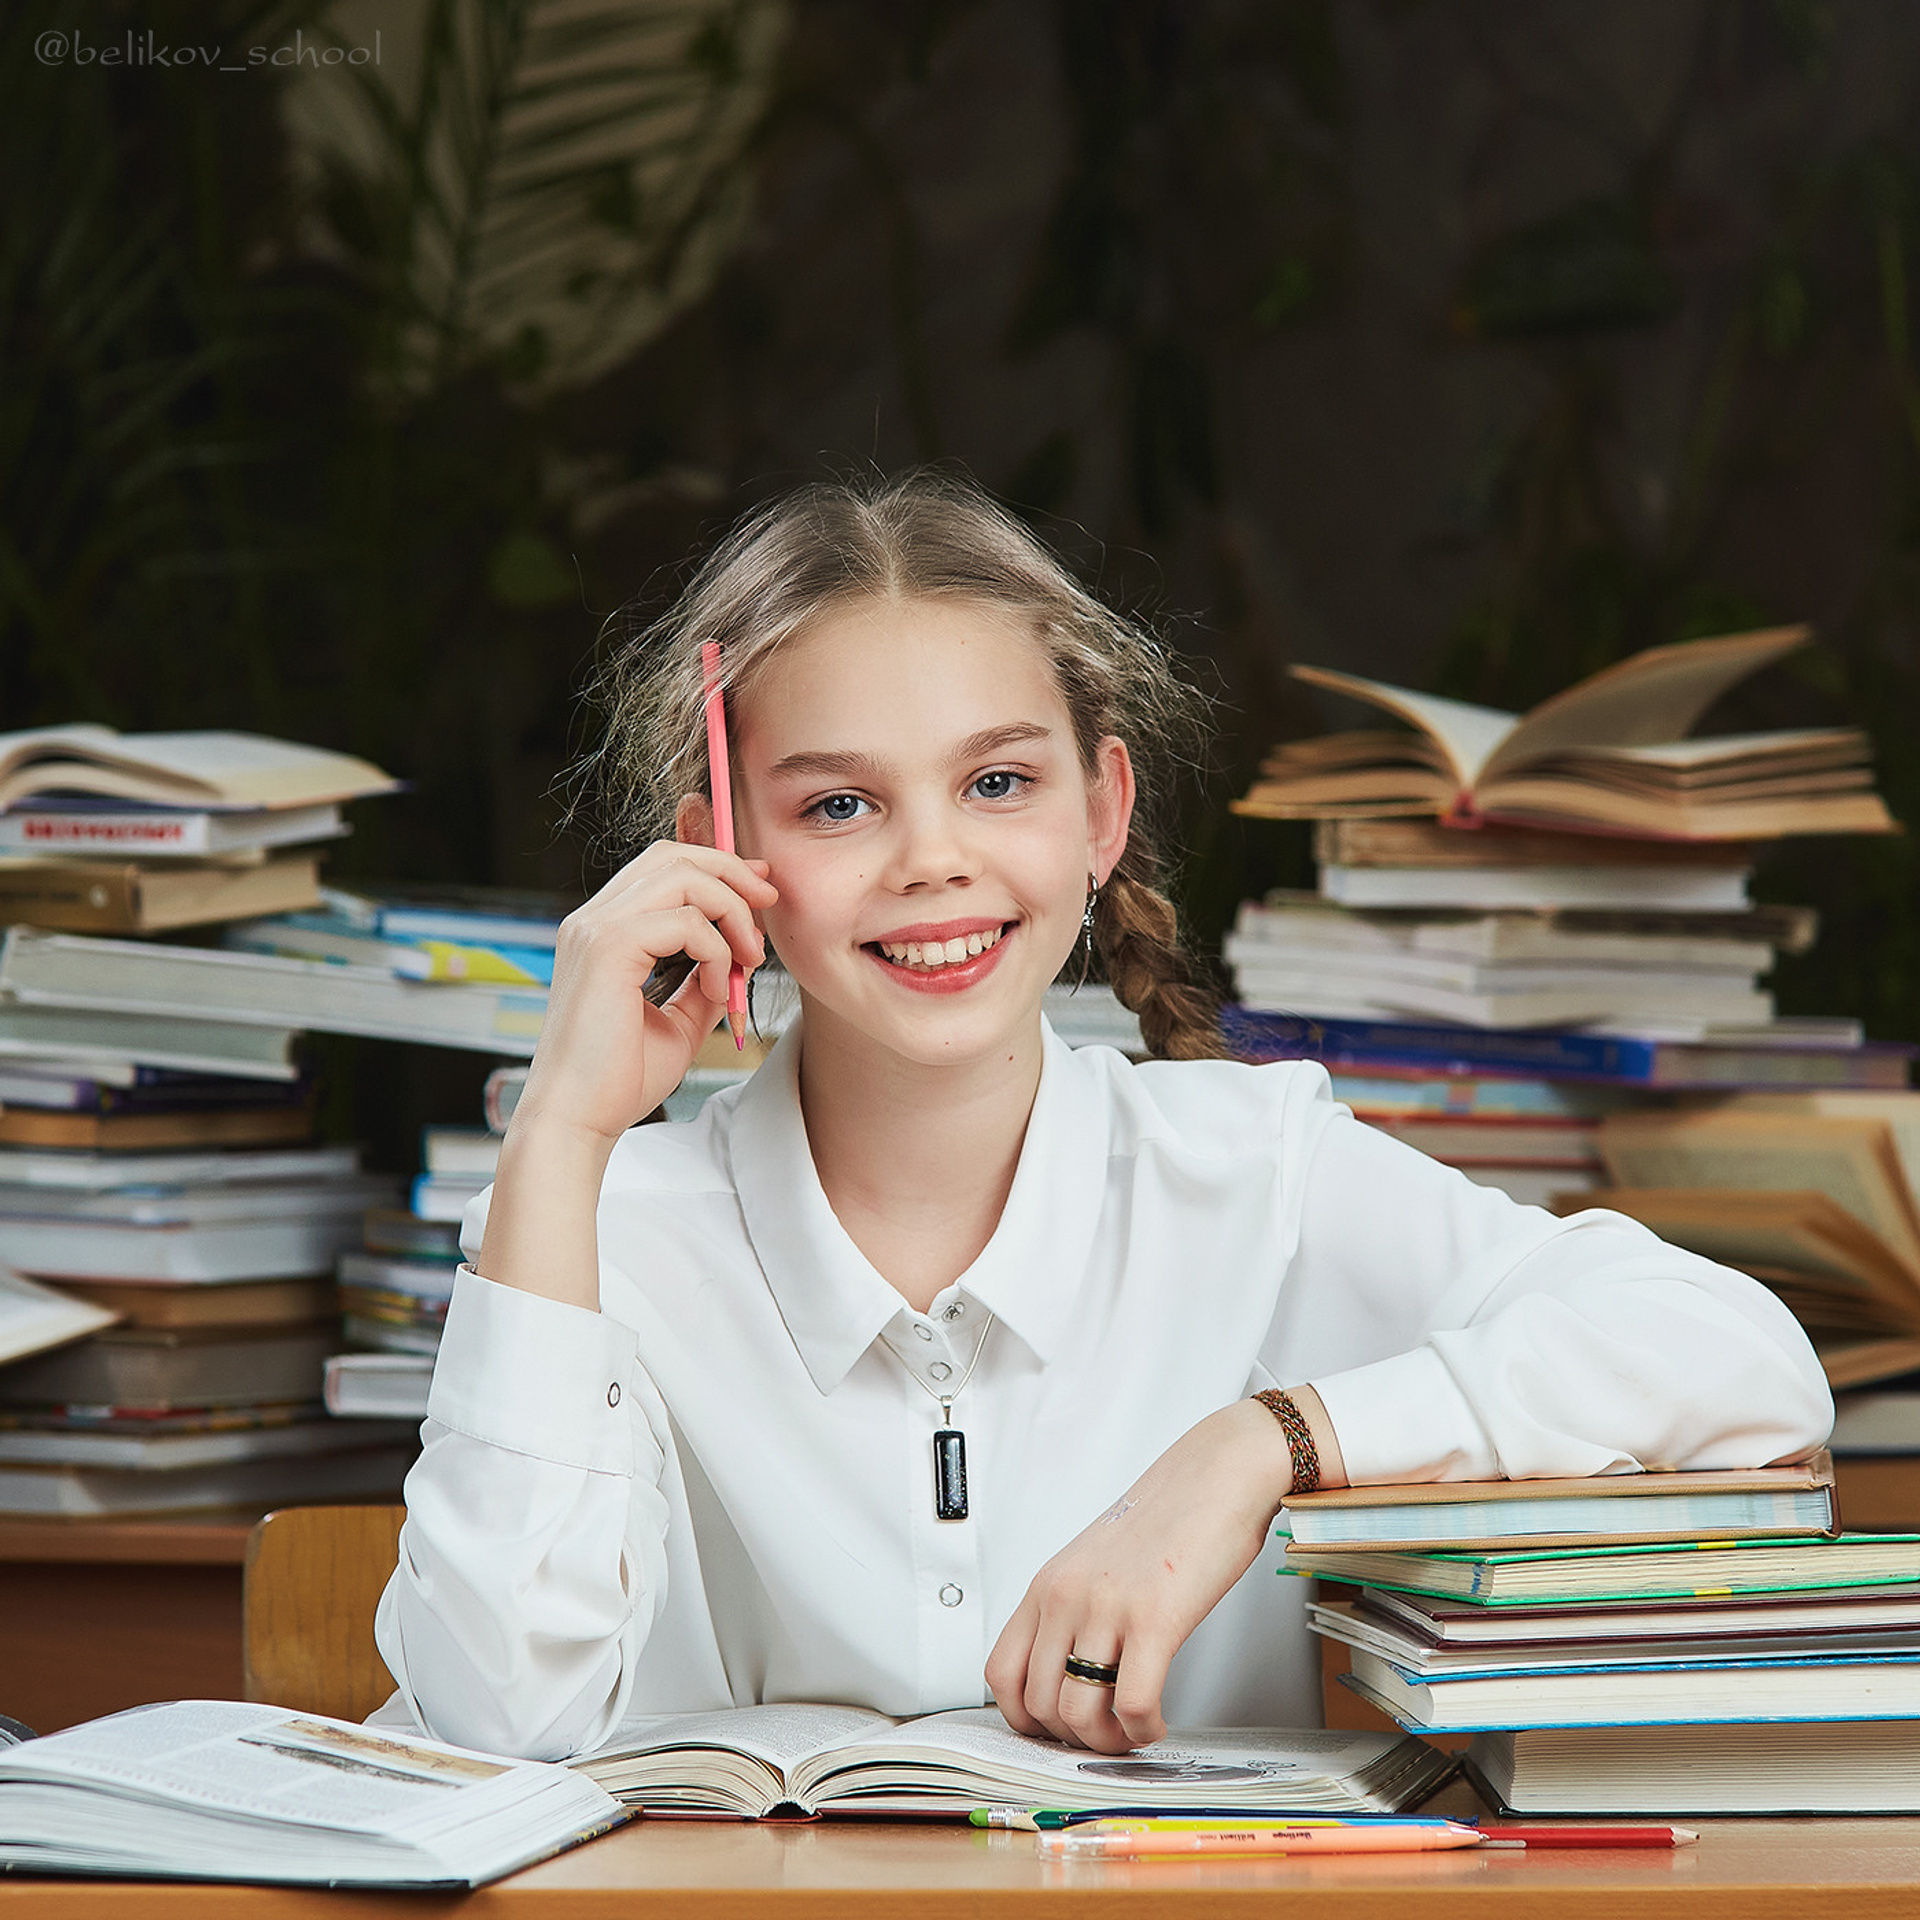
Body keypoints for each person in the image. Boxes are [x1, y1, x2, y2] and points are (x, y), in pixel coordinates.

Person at [370, 471, 1832, 1764]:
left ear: (1100, 811)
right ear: (719, 854)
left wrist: (1261, 1447)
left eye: (997, 781)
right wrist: (561, 1135)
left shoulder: (1256, 1173)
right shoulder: (600, 1232)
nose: (932, 860)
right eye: (837, 808)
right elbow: (498, 1720)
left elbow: (1744, 1361)